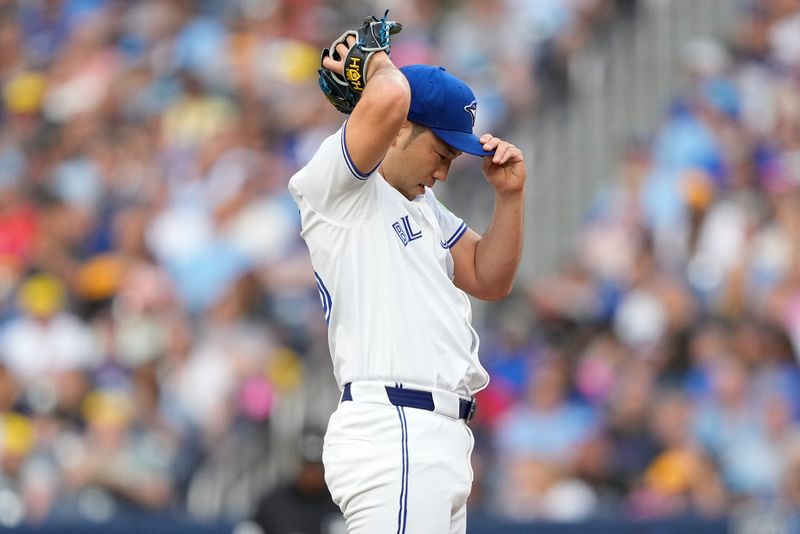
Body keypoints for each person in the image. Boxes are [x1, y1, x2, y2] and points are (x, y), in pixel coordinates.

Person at [287, 19, 526, 533]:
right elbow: (393, 93)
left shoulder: (423, 206)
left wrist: (509, 199)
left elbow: (490, 277)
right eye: (442, 152)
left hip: (438, 436)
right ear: (398, 127)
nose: (444, 171)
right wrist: (376, 62)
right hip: (394, 426)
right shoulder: (340, 188)